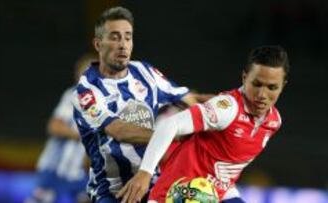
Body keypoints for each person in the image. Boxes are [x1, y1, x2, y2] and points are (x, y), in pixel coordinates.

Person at [72, 6, 211, 203]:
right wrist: (170, 136)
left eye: (127, 37)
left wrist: (230, 103)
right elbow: (118, 130)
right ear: (98, 44)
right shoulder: (86, 90)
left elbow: (189, 99)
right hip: (112, 192)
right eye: (114, 37)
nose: (123, 45)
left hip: (152, 184)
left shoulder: (144, 72)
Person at [117, 45, 290, 203]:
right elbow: (170, 125)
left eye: (272, 87)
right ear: (245, 78)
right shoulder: (227, 108)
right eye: (257, 84)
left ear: (283, 86)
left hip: (213, 195)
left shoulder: (274, 121)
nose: (262, 94)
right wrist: (145, 172)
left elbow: (225, 164)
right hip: (174, 195)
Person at [25, 54, 96, 203]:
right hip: (55, 168)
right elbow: (54, 126)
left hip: (78, 173)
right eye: (84, 72)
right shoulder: (73, 95)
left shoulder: (104, 102)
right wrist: (83, 135)